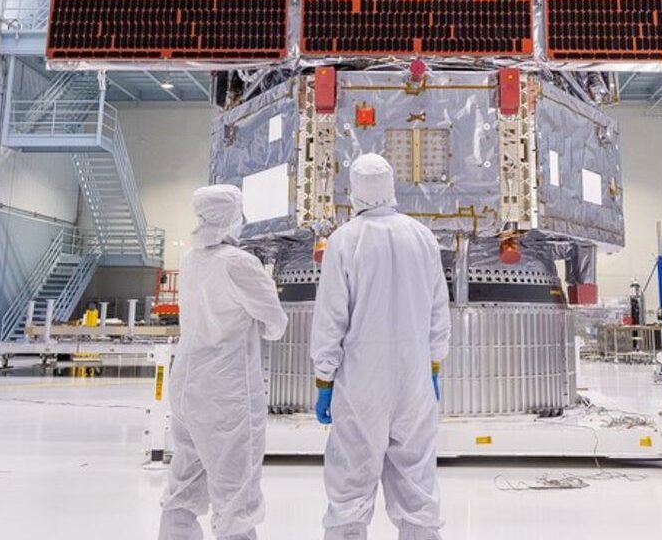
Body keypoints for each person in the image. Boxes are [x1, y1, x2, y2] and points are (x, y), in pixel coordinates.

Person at [310, 153, 449, 540]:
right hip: (414, 381)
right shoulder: (422, 237)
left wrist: (324, 380)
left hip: (360, 384)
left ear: (354, 191)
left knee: (351, 485)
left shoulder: (344, 240)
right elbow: (439, 312)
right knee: (417, 483)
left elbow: (331, 318)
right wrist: (434, 367)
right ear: (391, 187)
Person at [160, 184, 288, 540]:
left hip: (187, 383)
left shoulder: (190, 260)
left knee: (183, 484)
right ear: (232, 217)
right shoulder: (240, 263)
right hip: (225, 393)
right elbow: (275, 324)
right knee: (235, 494)